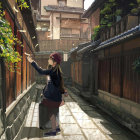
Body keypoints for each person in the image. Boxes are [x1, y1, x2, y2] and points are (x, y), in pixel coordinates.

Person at [26, 52, 68, 136]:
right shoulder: (55, 70)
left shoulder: (53, 71)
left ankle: (54, 130)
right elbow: (55, 84)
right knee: (53, 113)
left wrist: (32, 62)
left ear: (54, 62)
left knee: (51, 113)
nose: (48, 60)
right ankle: (57, 127)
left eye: (50, 59)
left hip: (52, 97)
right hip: (55, 96)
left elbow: (41, 71)